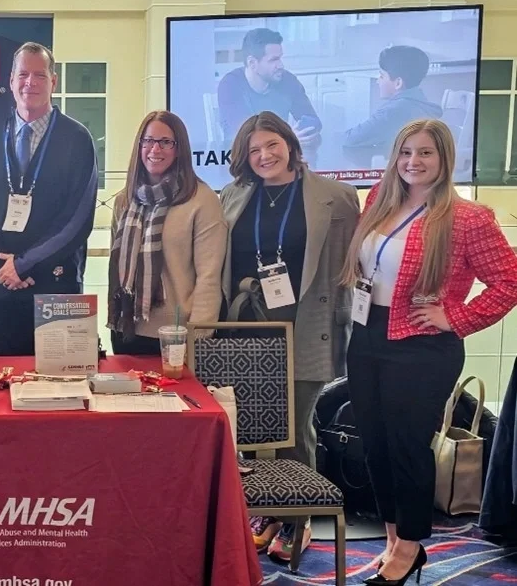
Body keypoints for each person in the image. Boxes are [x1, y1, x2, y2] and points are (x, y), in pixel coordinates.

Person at [341, 118, 517, 585]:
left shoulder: (467, 218)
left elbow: (509, 281)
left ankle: (414, 545)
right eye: (405, 153)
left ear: (444, 161)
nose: (413, 162)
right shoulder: (380, 201)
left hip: (423, 347)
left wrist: (455, 318)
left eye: (425, 154)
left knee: (407, 448)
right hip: (367, 336)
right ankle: (394, 540)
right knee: (374, 446)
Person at [220, 111, 359, 562]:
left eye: (271, 145)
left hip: (306, 327)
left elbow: (347, 271)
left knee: (295, 428)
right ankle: (273, 513)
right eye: (254, 150)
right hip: (245, 329)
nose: (264, 156)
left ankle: (300, 521)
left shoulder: (336, 197)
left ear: (290, 144)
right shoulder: (233, 196)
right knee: (255, 429)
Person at [0, 41, 98, 356]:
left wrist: (24, 265)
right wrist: (3, 268)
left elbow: (77, 218)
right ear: (11, 81)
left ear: (54, 82)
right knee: (4, 384)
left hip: (56, 286)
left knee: (61, 392)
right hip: (2, 286)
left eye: (40, 75)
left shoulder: (77, 139)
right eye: (23, 75)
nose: (30, 83)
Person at [107, 110, 227, 353]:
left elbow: (209, 276)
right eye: (148, 141)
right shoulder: (124, 200)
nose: (155, 149)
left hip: (176, 334)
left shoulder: (201, 200)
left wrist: (200, 334)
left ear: (179, 148)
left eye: (165, 142)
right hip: (126, 328)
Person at [217, 28, 321, 148]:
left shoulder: (288, 80)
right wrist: (288, 137)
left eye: (280, 58)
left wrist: (304, 131)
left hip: (280, 156)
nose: (281, 65)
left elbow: (313, 120)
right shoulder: (230, 85)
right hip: (240, 158)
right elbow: (246, 133)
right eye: (273, 60)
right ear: (252, 63)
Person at [343, 45, 443, 150]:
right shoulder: (421, 104)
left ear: (398, 83)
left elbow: (350, 139)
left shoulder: (394, 111)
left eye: (382, 76)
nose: (378, 81)